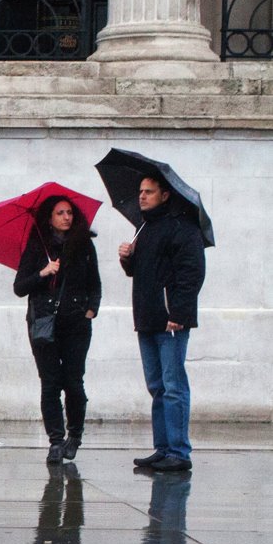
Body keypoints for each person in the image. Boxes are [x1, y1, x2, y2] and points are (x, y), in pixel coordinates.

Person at [119, 174, 206, 473]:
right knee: (157, 386)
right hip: (146, 317)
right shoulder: (143, 227)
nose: (142, 196)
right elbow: (144, 271)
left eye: (149, 192)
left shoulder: (183, 228)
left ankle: (179, 451)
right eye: (141, 191)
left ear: (165, 195)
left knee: (173, 386)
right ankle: (163, 449)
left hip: (170, 320)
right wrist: (127, 259)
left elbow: (191, 273)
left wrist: (179, 314)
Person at [14, 195, 102, 464]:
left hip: (76, 323)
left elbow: (95, 284)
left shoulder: (84, 245)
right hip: (43, 323)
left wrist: (91, 310)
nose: (66, 217)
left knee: (73, 382)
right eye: (60, 213)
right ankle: (55, 440)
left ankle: (74, 435)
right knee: (50, 383)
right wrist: (43, 272)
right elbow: (19, 287)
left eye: (69, 212)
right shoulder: (37, 246)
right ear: (49, 218)